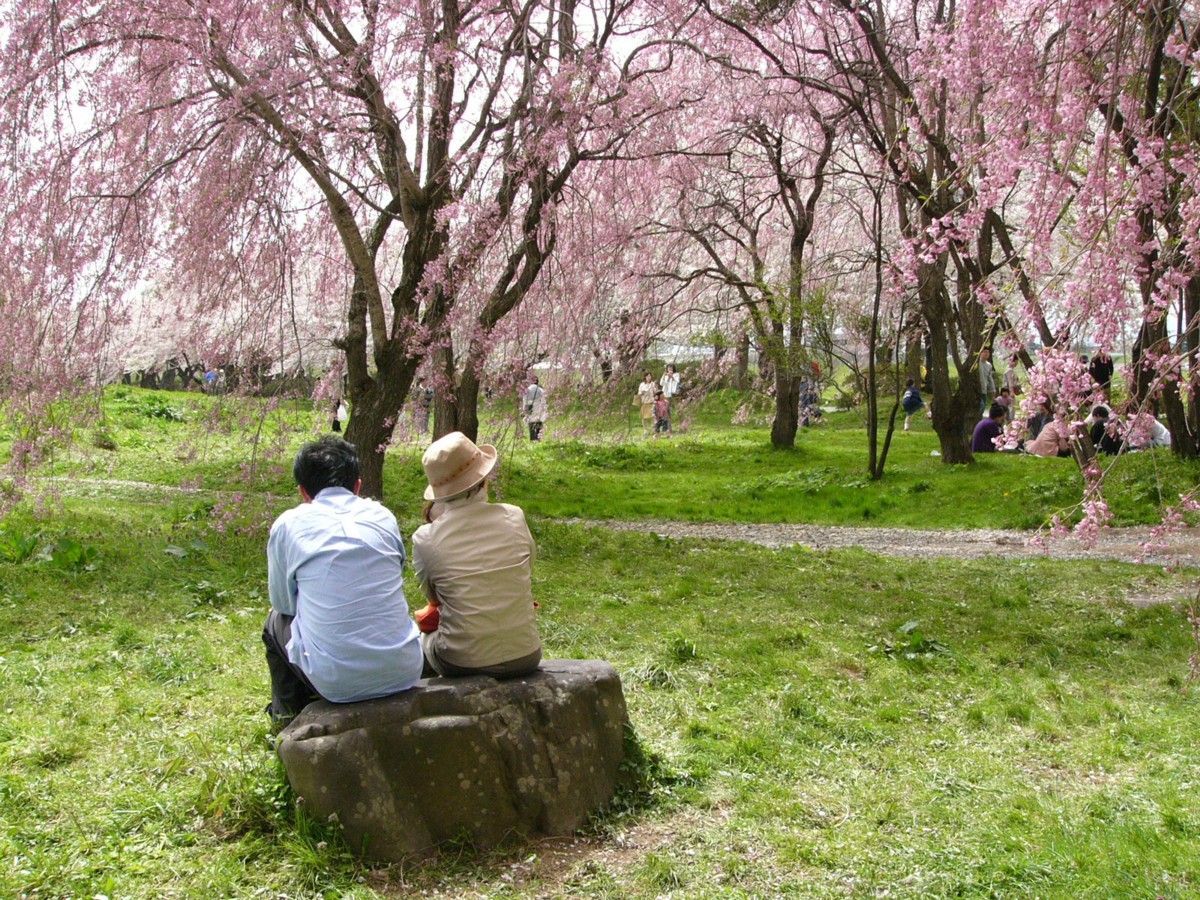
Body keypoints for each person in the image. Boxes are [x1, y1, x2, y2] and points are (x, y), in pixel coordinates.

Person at [262, 436, 424, 726]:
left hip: (336, 683)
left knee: (274, 621)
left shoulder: (289, 524)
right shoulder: (382, 516)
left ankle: (287, 715)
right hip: (406, 670)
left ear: (303, 492)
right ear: (358, 486)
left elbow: (283, 604)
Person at [411, 432, 541, 678]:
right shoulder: (514, 516)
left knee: (424, 637)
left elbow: (433, 597)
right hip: (526, 654)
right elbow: (526, 569)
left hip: (461, 661)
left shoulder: (425, 538)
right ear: (483, 479)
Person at [524, 376, 547, 441]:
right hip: (538, 406)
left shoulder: (527, 389)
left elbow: (524, 399)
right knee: (538, 422)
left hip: (530, 406)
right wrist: (544, 409)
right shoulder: (540, 390)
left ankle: (532, 438)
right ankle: (538, 438)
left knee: (531, 422)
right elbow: (544, 400)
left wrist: (525, 408)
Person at [636, 372, 657, 436]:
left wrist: (655, 390)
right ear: (645, 377)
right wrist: (642, 393)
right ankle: (645, 430)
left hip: (651, 402)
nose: (649, 377)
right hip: (644, 402)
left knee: (653, 416)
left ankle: (654, 429)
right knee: (644, 417)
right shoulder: (642, 384)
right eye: (647, 376)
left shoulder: (652, 384)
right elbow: (639, 393)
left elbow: (655, 392)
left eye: (650, 376)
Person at [978, 348, 997, 417]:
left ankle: (979, 420)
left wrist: (993, 389)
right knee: (981, 406)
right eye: (985, 352)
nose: (987, 354)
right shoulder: (977, 363)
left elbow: (990, 378)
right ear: (981, 352)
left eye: (988, 352)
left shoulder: (989, 365)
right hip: (976, 390)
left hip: (984, 389)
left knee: (983, 408)